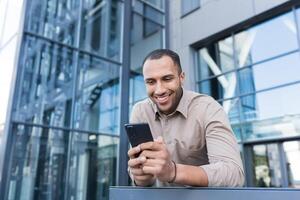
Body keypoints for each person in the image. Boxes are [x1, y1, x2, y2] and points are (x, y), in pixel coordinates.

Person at [127, 49, 244, 187]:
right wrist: (141, 176)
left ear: (181, 77)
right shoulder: (140, 111)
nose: (159, 90)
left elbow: (233, 174)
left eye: (167, 79)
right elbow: (144, 179)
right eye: (151, 82)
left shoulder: (207, 108)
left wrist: (173, 171)